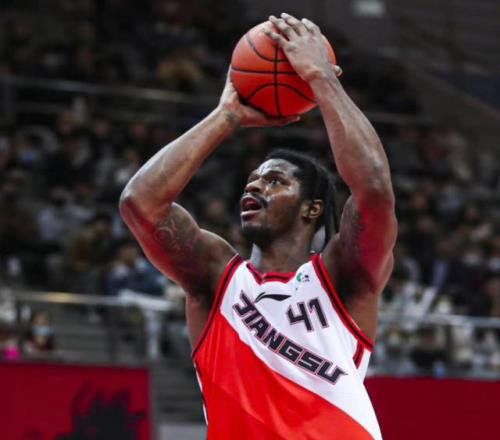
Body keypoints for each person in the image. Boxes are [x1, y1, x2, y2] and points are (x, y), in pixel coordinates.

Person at [120, 13, 396, 440]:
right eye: (252, 180)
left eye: (275, 180)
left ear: (312, 209)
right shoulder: (216, 277)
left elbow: (374, 189)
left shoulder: (342, 276)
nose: (255, 186)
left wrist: (321, 78)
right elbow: (140, 204)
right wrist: (226, 116)